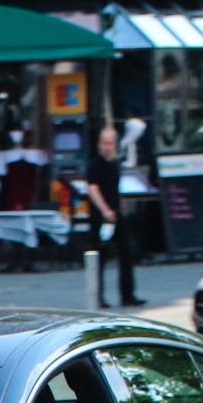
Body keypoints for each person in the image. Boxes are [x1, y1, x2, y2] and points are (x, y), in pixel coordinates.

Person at [76, 125, 144, 305]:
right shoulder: (94, 165)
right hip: (101, 215)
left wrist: (119, 205)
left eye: (111, 143)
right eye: (105, 143)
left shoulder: (115, 164)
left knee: (126, 252)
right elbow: (93, 189)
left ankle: (127, 295)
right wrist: (104, 210)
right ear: (99, 144)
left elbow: (115, 187)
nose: (108, 147)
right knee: (100, 257)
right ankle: (98, 297)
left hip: (116, 213)